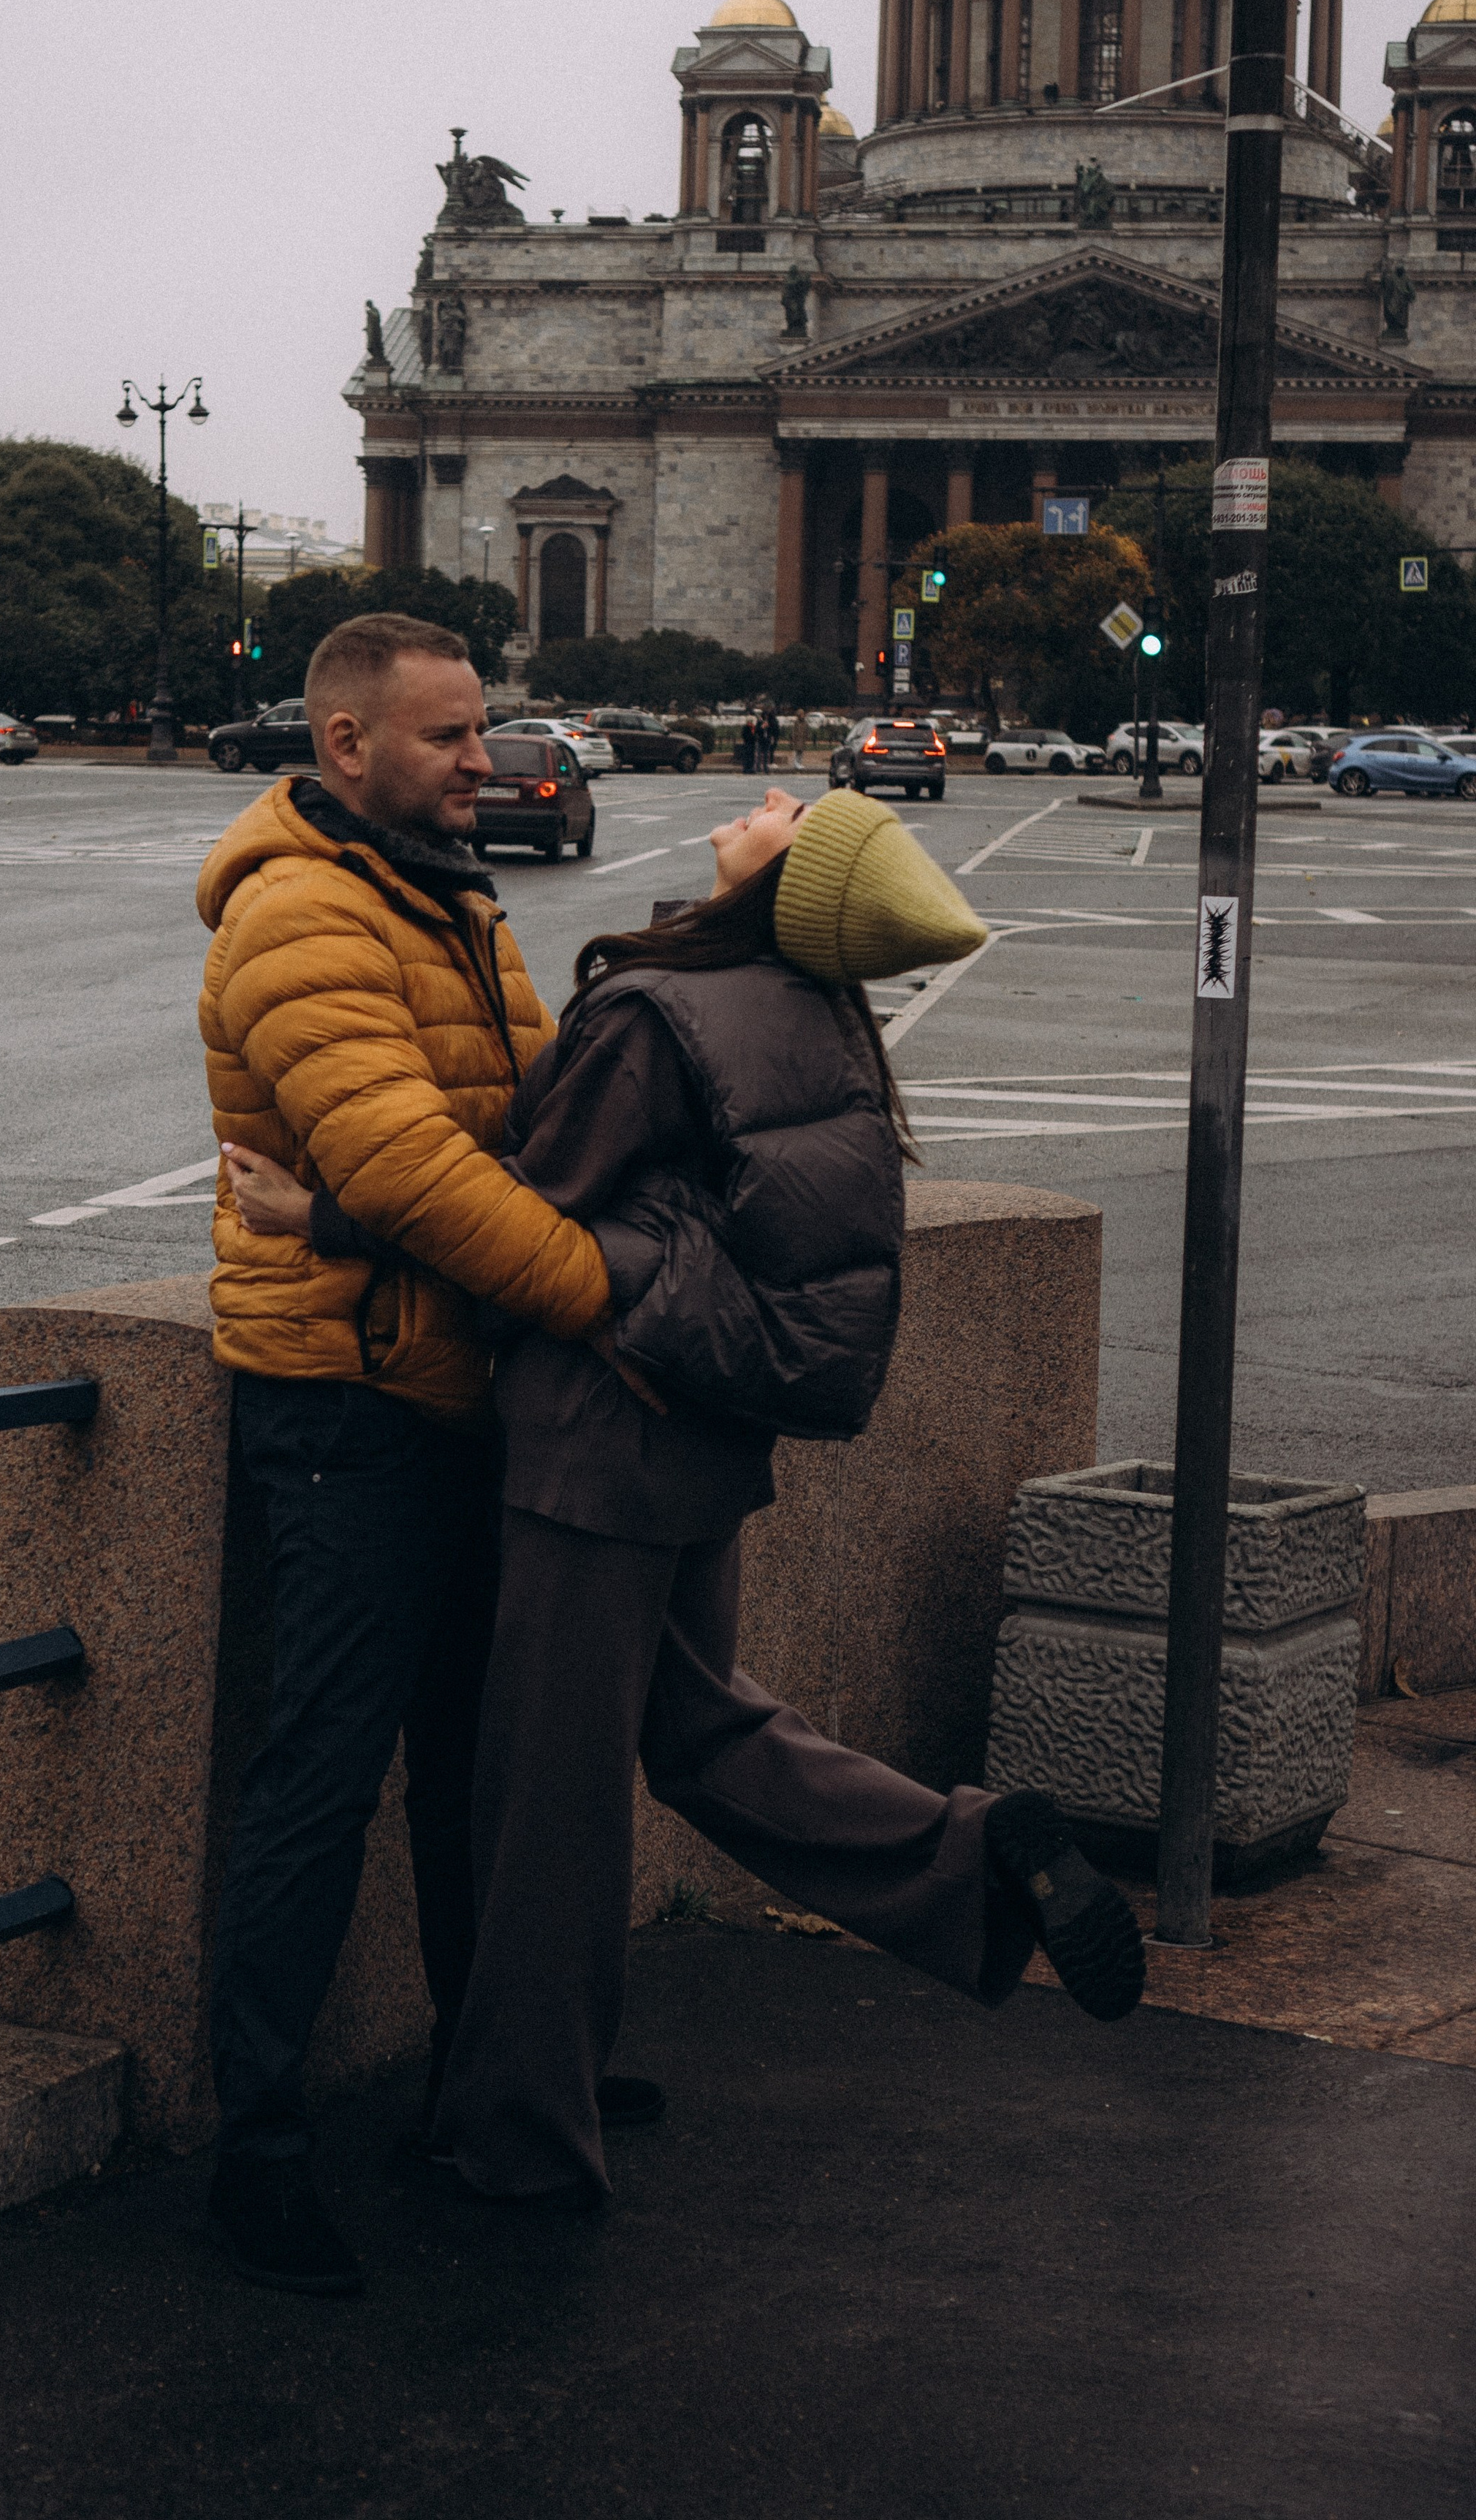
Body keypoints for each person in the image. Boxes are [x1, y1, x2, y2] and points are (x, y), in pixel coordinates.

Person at [227, 787, 1146, 2206]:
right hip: (704, 1443)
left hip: (597, 1441)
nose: (764, 801)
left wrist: (318, 1218)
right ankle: (971, 1862)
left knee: (546, 1805)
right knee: (703, 1732)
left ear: (792, 887)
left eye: (792, 816)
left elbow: (518, 1207)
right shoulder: (816, 1013)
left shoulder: (662, 1012)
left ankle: (520, 2138)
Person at [194, 611, 615, 2296]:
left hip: (450, 1386)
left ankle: (483, 2077)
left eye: (486, 729)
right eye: (449, 736)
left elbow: (527, 1119)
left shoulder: (444, 892)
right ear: (347, 745)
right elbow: (433, 1172)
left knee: (469, 1769)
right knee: (322, 1777)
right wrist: (602, 1300)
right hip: (348, 1413)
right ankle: (260, 2147)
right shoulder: (301, 912)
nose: (486, 759)